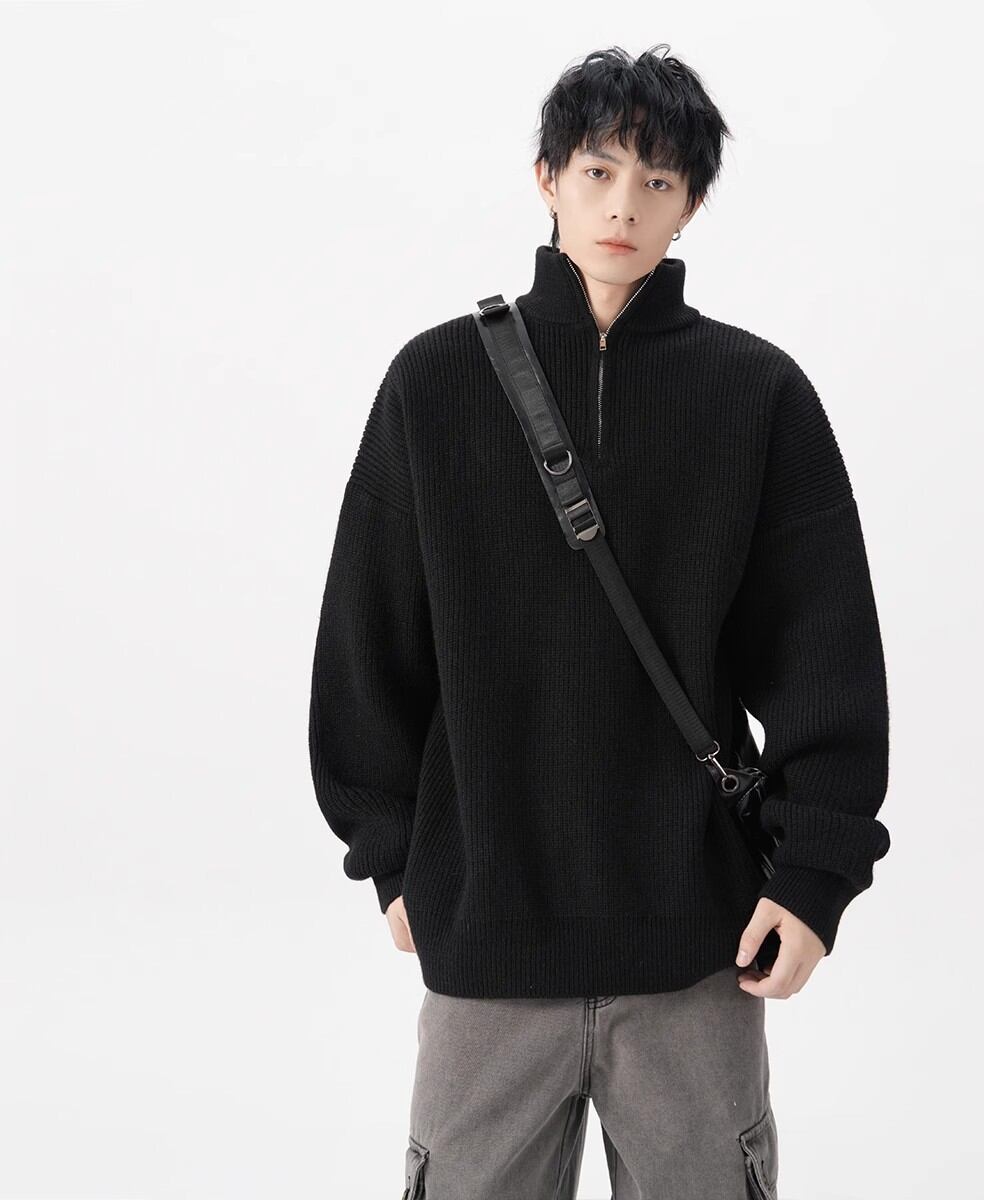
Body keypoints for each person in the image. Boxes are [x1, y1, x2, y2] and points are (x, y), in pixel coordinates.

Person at [308, 43, 890, 1200]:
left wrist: (815, 877)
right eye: (598, 171)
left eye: (658, 181)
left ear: (692, 204)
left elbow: (826, 654)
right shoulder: (434, 384)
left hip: (696, 947)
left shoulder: (758, 395)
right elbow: (368, 641)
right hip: (486, 943)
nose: (624, 206)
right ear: (548, 179)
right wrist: (390, 855)